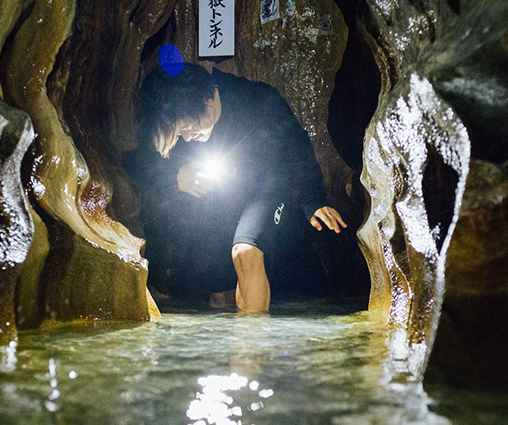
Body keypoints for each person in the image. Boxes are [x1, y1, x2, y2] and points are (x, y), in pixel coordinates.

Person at [126, 62, 346, 313]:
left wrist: (313, 200)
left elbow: (296, 150)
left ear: (208, 101)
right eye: (179, 133)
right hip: (218, 203)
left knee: (245, 251)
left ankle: (251, 347)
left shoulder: (258, 100)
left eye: (188, 128)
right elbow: (142, 162)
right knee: (220, 297)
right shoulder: (179, 123)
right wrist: (175, 178)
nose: (187, 137)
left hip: (266, 191)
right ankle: (239, 333)